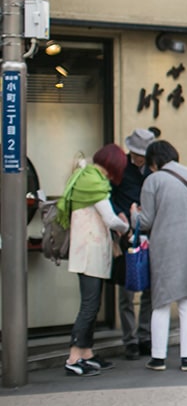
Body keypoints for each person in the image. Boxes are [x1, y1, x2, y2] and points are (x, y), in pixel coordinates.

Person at [131, 140, 187, 374]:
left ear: (154, 161)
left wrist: (134, 214)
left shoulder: (153, 181)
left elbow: (146, 221)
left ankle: (158, 357)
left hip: (165, 247)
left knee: (161, 303)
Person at [62, 144, 132, 377]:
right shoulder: (94, 182)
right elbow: (111, 219)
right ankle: (74, 356)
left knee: (93, 304)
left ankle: (86, 353)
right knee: (90, 305)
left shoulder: (89, 177)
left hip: (89, 250)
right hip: (89, 251)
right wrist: (126, 227)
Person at [111, 128, 155, 360]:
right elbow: (110, 196)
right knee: (126, 289)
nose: (139, 158)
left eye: (143, 155)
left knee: (149, 288)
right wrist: (120, 216)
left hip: (150, 232)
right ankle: (130, 340)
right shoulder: (120, 169)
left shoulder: (153, 170)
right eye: (136, 154)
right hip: (126, 232)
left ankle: (145, 335)